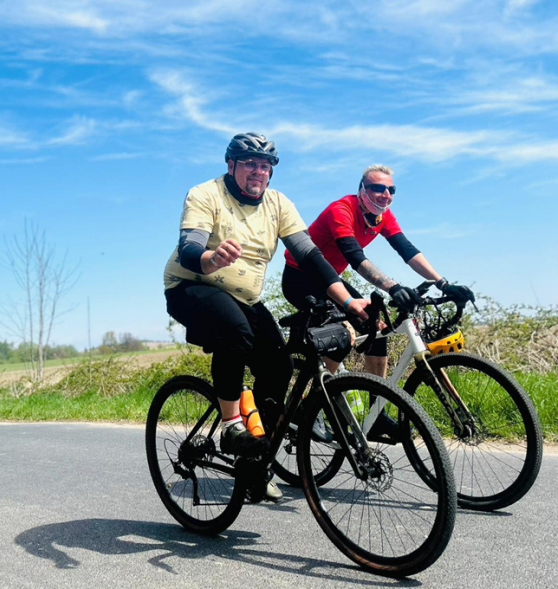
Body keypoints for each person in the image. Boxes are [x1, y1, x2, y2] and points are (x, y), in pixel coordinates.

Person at [163, 132, 371, 499]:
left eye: (265, 166)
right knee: (236, 332)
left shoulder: (278, 204)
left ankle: (257, 462)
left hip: (244, 297)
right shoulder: (205, 193)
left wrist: (348, 302)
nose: (258, 172)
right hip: (191, 287)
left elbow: (310, 257)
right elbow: (189, 248)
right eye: (249, 164)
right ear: (231, 165)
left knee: (279, 367)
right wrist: (212, 258)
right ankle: (230, 424)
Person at [282, 163, 475, 379]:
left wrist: (443, 283)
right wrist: (392, 287)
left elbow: (407, 250)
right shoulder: (341, 210)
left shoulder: (383, 217)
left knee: (377, 331)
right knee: (342, 337)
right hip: (300, 279)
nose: (385, 194)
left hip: (330, 281)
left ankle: (378, 405)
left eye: (391, 190)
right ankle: (317, 399)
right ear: (362, 189)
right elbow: (355, 257)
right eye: (378, 188)